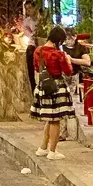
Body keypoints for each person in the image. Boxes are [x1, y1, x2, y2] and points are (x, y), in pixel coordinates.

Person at [30, 26, 78, 159]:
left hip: (43, 86)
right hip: (56, 87)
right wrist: (67, 59)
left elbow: (36, 68)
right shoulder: (58, 54)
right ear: (59, 40)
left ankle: (43, 148)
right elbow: (68, 71)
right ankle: (52, 151)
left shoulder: (38, 51)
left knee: (49, 119)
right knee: (55, 120)